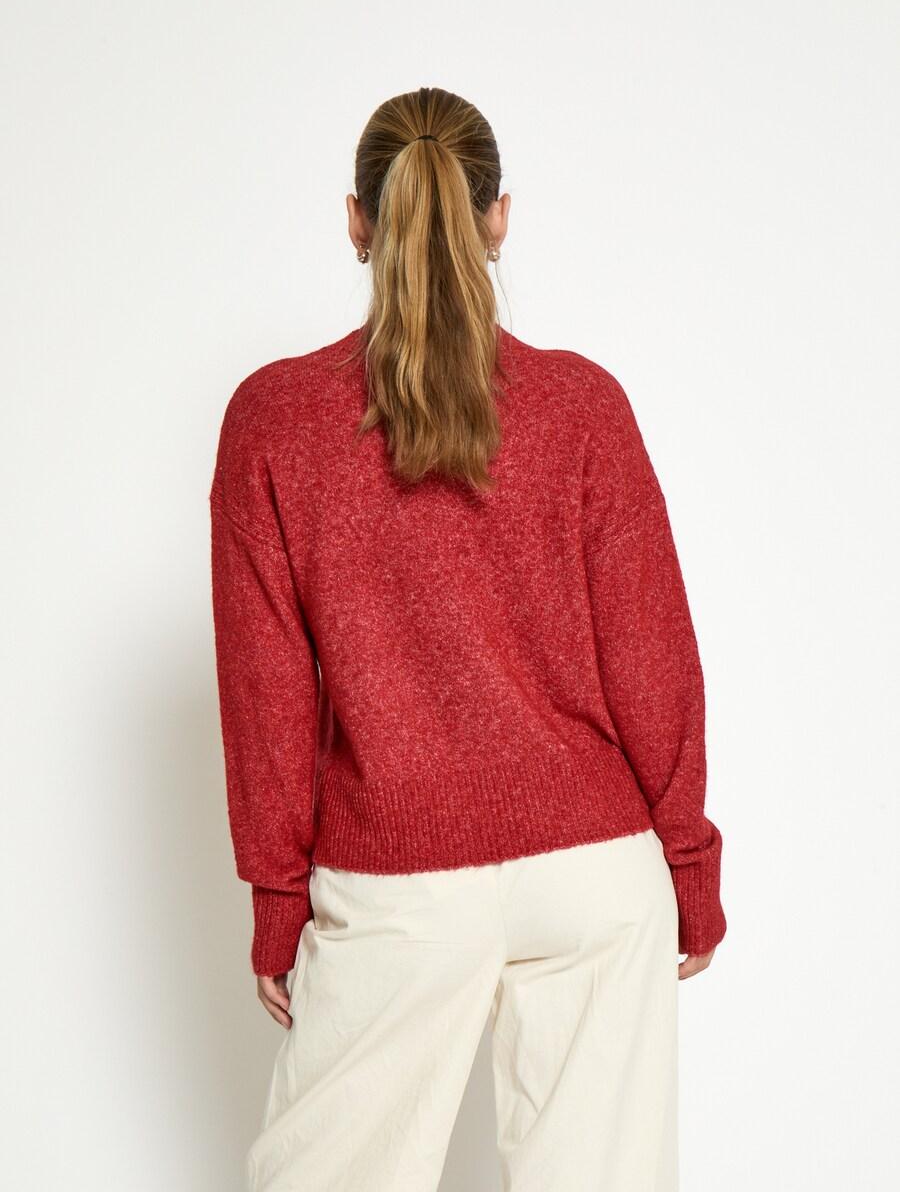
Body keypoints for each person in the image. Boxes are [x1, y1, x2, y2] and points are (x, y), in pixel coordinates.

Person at [209, 85, 726, 1192]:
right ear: (499, 218)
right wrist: (687, 859)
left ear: (358, 220)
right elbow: (654, 657)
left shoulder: (273, 421)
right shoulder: (583, 406)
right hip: (596, 873)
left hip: (397, 883)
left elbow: (267, 696)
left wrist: (278, 901)